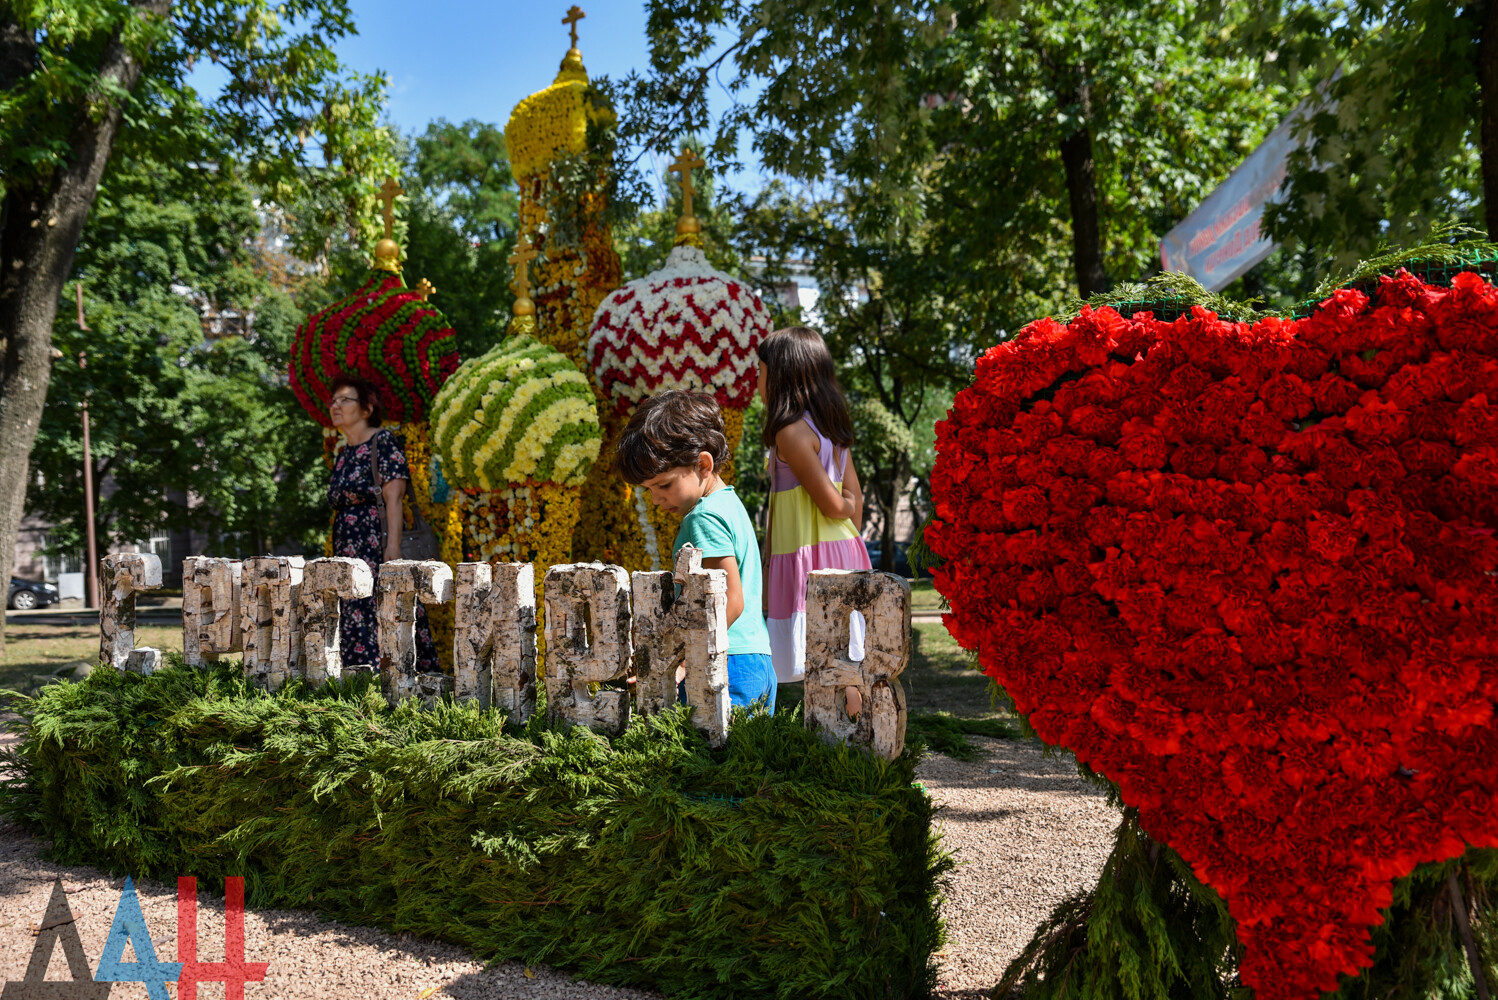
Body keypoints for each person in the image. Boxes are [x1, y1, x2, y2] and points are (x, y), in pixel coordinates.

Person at [616, 390, 777, 713]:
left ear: (703, 463)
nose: (657, 500)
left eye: (664, 485)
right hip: (754, 658)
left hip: (724, 662)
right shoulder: (729, 502)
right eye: (649, 491)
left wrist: (684, 662)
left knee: (709, 758)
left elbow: (728, 601)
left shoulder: (703, 517)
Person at [757, 326, 871, 713]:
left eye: (761, 371)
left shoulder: (790, 434)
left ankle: (853, 737)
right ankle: (849, 737)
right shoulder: (829, 432)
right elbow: (852, 501)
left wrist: (844, 503)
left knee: (827, 653)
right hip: (837, 547)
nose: (757, 381)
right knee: (840, 654)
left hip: (813, 555)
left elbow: (835, 505)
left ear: (782, 376)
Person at [325, 374, 439, 672]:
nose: (335, 406)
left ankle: (400, 678)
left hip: (376, 544)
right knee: (355, 607)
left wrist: (392, 548)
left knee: (383, 606)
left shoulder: (382, 441)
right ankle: (361, 677)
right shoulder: (343, 453)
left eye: (344, 400)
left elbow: (395, 498)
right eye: (333, 401)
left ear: (366, 409)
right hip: (348, 547)